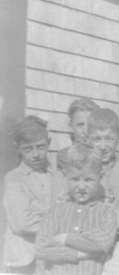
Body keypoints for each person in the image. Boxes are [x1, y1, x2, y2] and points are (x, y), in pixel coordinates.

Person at [35, 144, 117, 275]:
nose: (81, 186)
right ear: (66, 177)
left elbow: (102, 245)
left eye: (88, 180)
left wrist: (64, 238)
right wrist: (81, 253)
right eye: (75, 179)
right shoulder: (56, 211)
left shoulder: (106, 212)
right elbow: (41, 249)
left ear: (100, 177)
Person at [3, 116, 65, 274]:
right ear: (18, 148)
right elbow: (22, 223)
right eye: (28, 149)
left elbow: (66, 210)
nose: (36, 154)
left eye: (40, 147)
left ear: (49, 143)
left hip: (51, 258)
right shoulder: (13, 179)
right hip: (24, 260)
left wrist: (39, 212)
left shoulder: (59, 177)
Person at [87, 108, 119, 233]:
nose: (103, 146)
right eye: (97, 139)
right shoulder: (80, 173)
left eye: (109, 138)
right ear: (88, 140)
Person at [57, 98, 100, 173]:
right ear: (71, 126)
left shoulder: (104, 156)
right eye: (80, 125)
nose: (86, 131)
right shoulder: (63, 157)